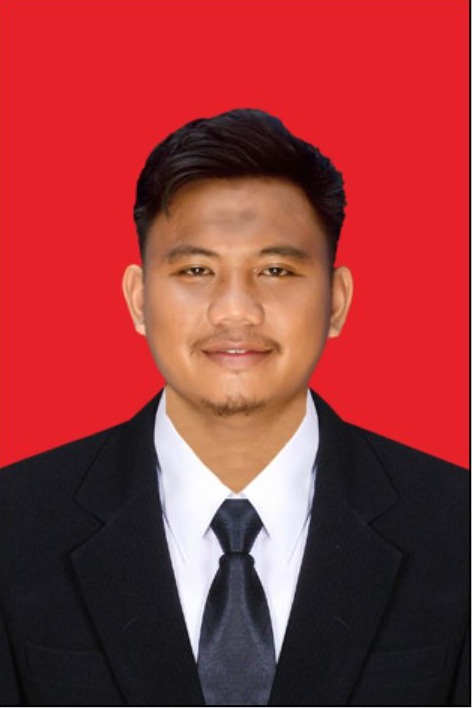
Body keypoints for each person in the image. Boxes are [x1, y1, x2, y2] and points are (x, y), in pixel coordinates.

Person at [0, 109, 468, 707]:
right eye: (197, 270)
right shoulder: (17, 523)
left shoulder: (457, 526)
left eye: (276, 270)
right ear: (139, 299)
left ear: (336, 300)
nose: (236, 311)